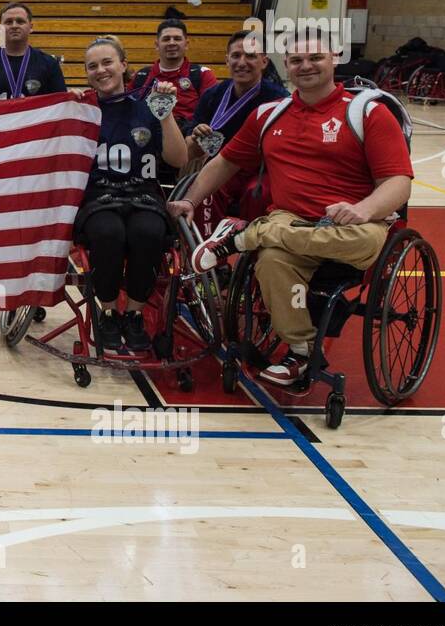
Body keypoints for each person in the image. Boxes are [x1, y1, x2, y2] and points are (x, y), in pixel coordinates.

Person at [173, 32, 414, 385]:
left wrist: (364, 208)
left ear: (335, 58)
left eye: (315, 57)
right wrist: (191, 199)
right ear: (285, 66)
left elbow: (399, 181)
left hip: (351, 225)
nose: (306, 66)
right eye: (297, 60)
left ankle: (246, 236)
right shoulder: (269, 115)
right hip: (290, 220)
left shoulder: (369, 113)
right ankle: (300, 351)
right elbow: (225, 162)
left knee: (353, 241)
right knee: (271, 262)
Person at [74, 37, 187, 351]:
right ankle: (109, 311)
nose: (101, 70)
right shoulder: (82, 112)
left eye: (107, 62)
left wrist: (166, 114)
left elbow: (179, 160)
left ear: (124, 65)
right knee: (107, 232)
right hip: (99, 198)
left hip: (143, 196)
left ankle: (134, 315)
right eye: (92, 66)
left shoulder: (149, 107)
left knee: (147, 232)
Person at [183, 29, 288, 238]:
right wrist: (195, 137)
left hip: (262, 171)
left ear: (264, 61)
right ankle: (208, 258)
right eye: (236, 56)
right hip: (221, 168)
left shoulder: (279, 99)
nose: (242, 62)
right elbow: (190, 150)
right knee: (206, 193)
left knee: (257, 194)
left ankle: (252, 255)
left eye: (250, 56)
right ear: (226, 60)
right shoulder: (213, 95)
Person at [0, 2, 67, 102]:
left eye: (20, 21)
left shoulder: (49, 64)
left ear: (31, 27)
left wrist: (73, 98)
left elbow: (60, 104)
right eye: (8, 22)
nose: (14, 26)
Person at [129, 18, 216, 130]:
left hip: (188, 137)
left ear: (186, 44)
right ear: (157, 44)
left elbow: (212, 113)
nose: (171, 43)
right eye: (166, 39)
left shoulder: (203, 74)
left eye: (177, 39)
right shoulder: (141, 76)